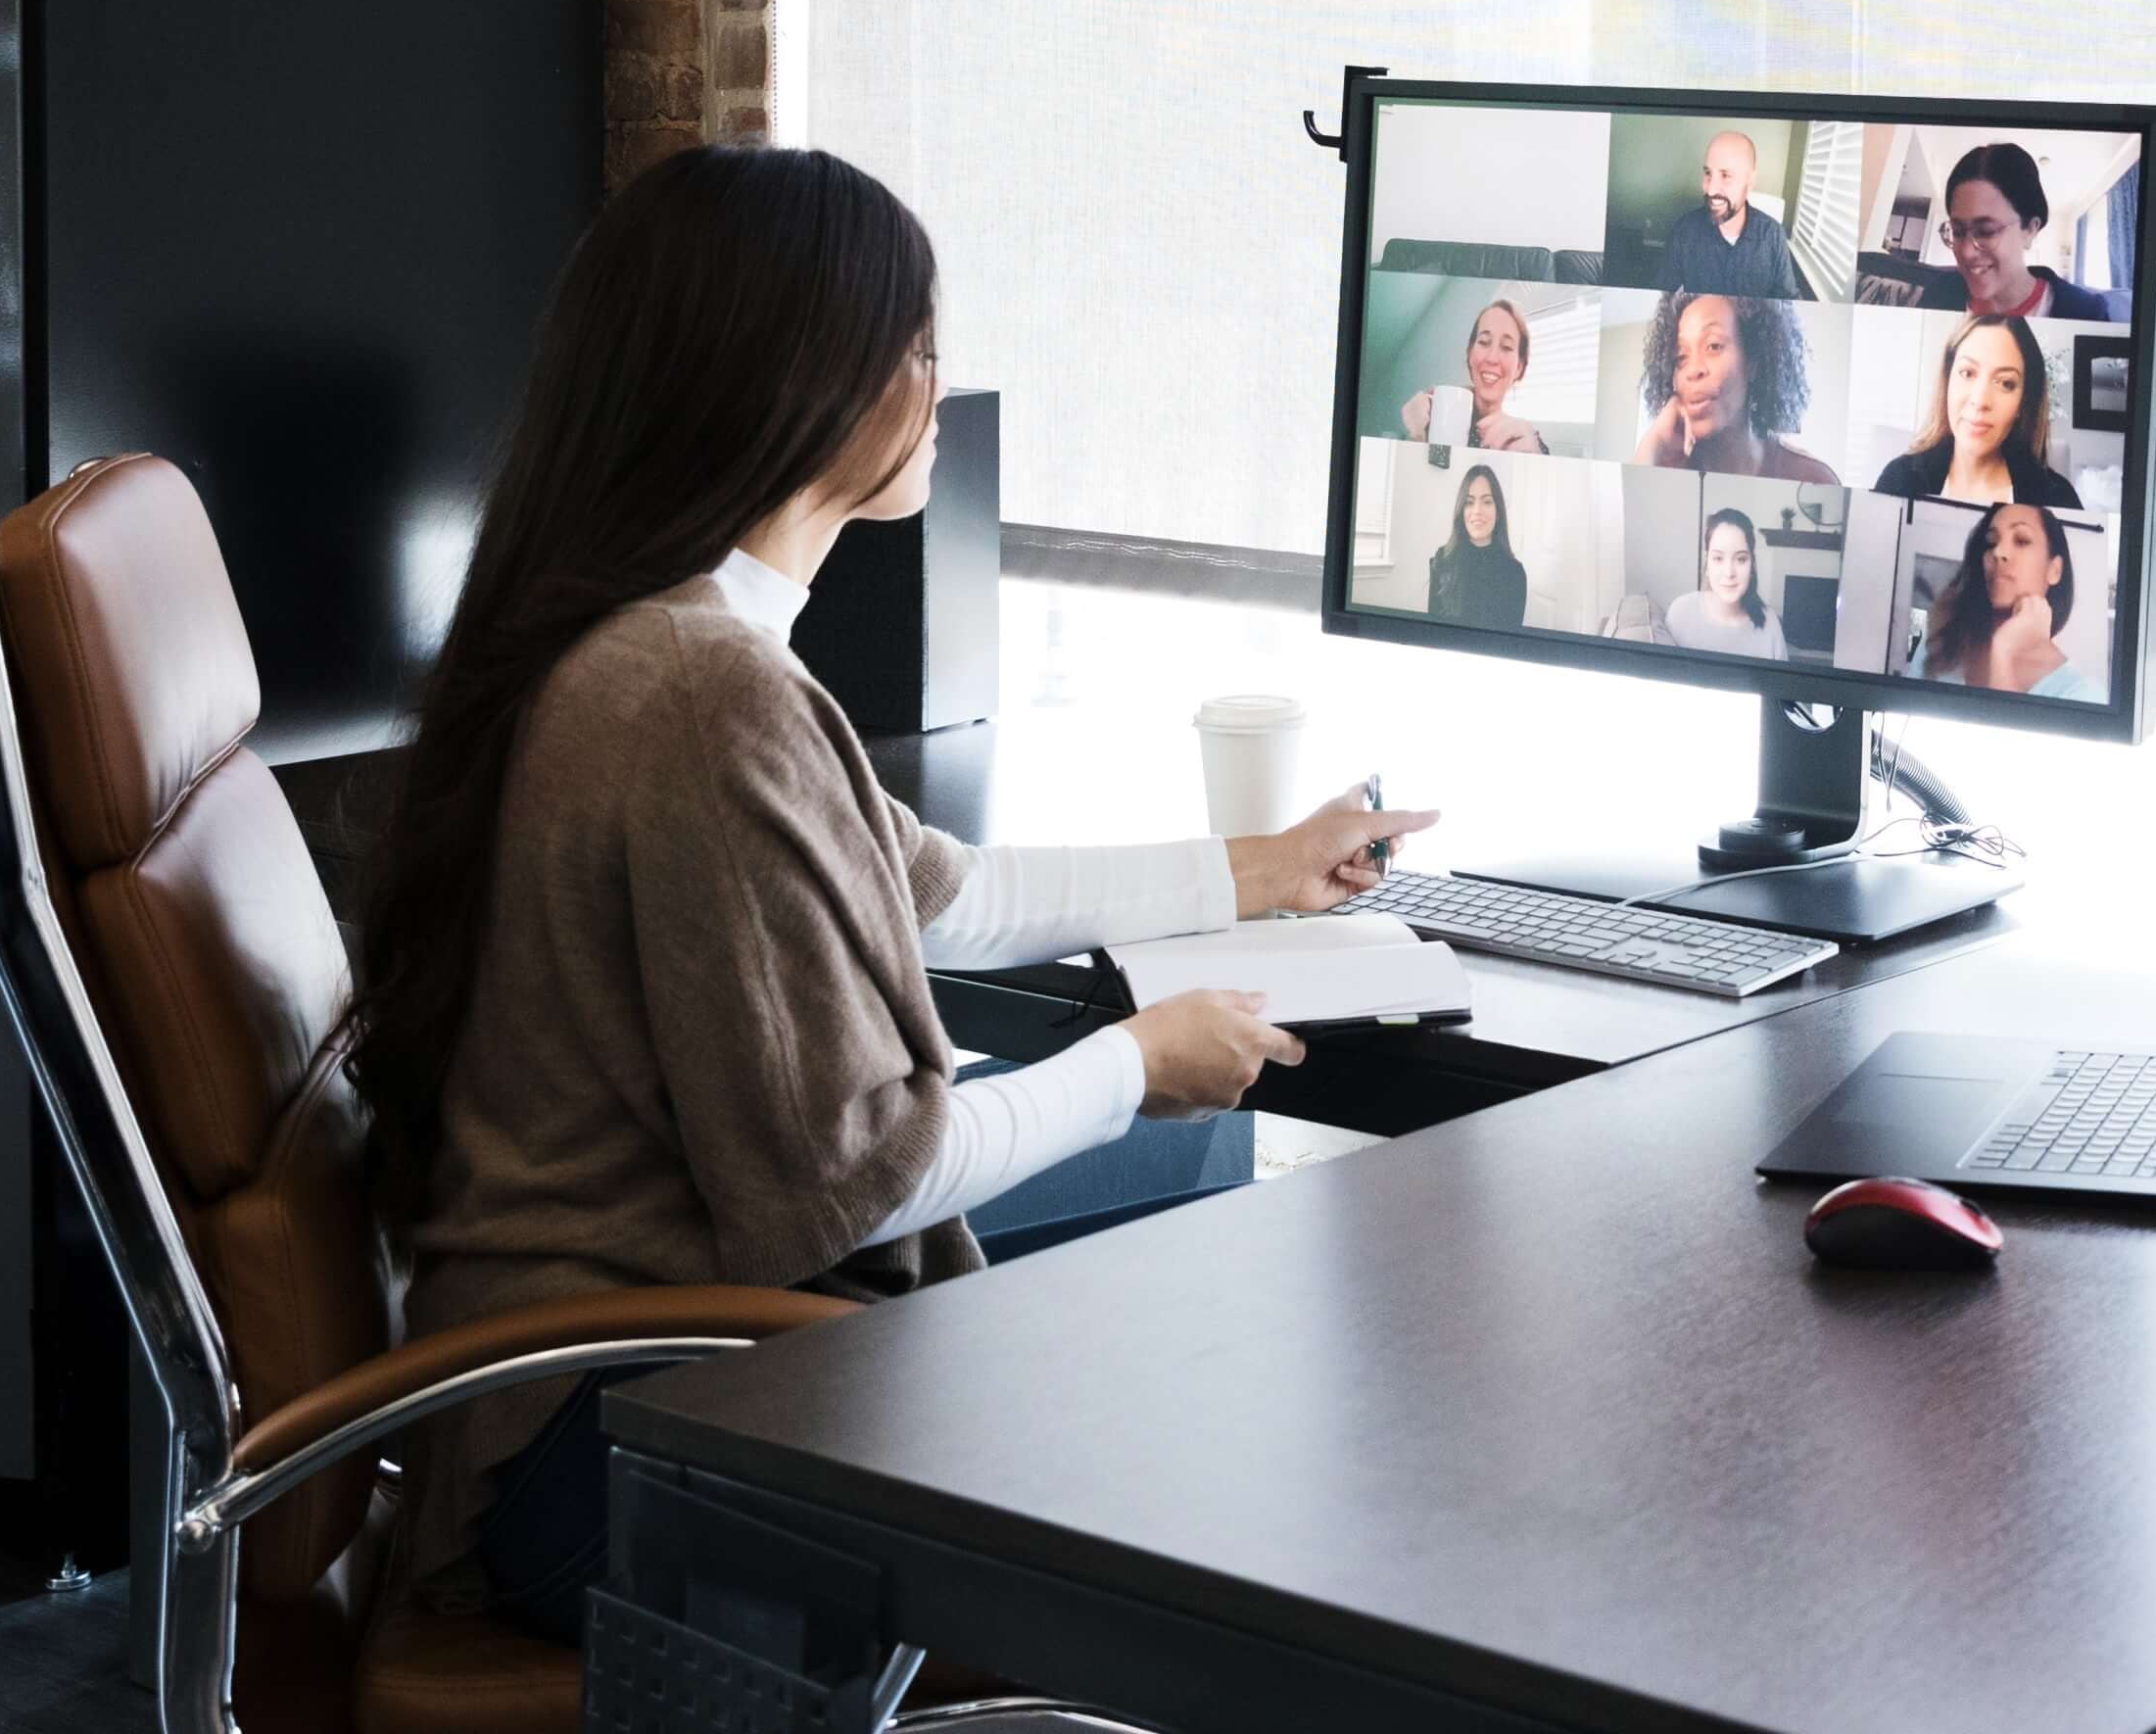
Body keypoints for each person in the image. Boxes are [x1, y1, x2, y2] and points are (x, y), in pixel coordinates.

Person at [347, 144, 1439, 1641]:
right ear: (796, 386)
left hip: (612, 1366)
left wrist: (1261, 870)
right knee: (1226, 1313)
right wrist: (1133, 1059)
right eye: (917, 349)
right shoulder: (700, 698)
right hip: (615, 1443)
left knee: (1204, 1166)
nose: (939, 387)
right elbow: (855, 1177)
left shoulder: (672, 633)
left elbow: (943, 896)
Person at [1871, 313, 2081, 508]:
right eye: (1968, 373)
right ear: (1947, 382)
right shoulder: (1898, 479)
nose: (1980, 401)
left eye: (2006, 383)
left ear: (2023, 402)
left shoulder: (2058, 498)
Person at [1628, 291, 1842, 483]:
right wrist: (1650, 448)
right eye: (1680, 357)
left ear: (1753, 361)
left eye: (1713, 346)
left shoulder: (1812, 479)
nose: (1693, 370)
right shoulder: (1665, 473)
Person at [1901, 141, 2124, 322]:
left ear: (2029, 229)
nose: (1967, 252)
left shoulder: (2084, 315)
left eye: (1986, 231)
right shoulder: (1939, 295)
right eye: (1958, 232)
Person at [1919, 499, 2096, 698]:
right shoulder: (1941, 639)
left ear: (2054, 570)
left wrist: (2004, 650)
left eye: (2021, 540)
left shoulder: (2080, 693)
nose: (1998, 552)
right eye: (1991, 543)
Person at [1661, 128, 1802, 296]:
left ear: (1750, 181)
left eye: (1725, 175)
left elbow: (1789, 304)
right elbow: (1662, 298)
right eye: (1708, 173)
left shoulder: (1772, 236)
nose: (1711, 189)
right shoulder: (1684, 231)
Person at [1398, 297, 1544, 453]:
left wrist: (1531, 460)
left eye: (1507, 347)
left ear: (1519, 368)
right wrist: (1416, 437)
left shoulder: (1528, 441)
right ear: (1469, 353)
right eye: (1484, 342)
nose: (1492, 358)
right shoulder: (1433, 422)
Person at [1661, 508, 1791, 658]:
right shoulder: (1680, 612)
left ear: (1752, 565)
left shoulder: (1770, 624)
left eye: (1741, 559)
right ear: (1707, 562)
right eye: (1718, 558)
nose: (1729, 573)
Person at [1425, 461, 1530, 628]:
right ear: (1461, 510)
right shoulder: (1441, 562)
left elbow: (1509, 641)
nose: (1477, 511)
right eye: (1469, 502)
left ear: (1498, 512)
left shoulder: (1515, 573)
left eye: (1487, 501)